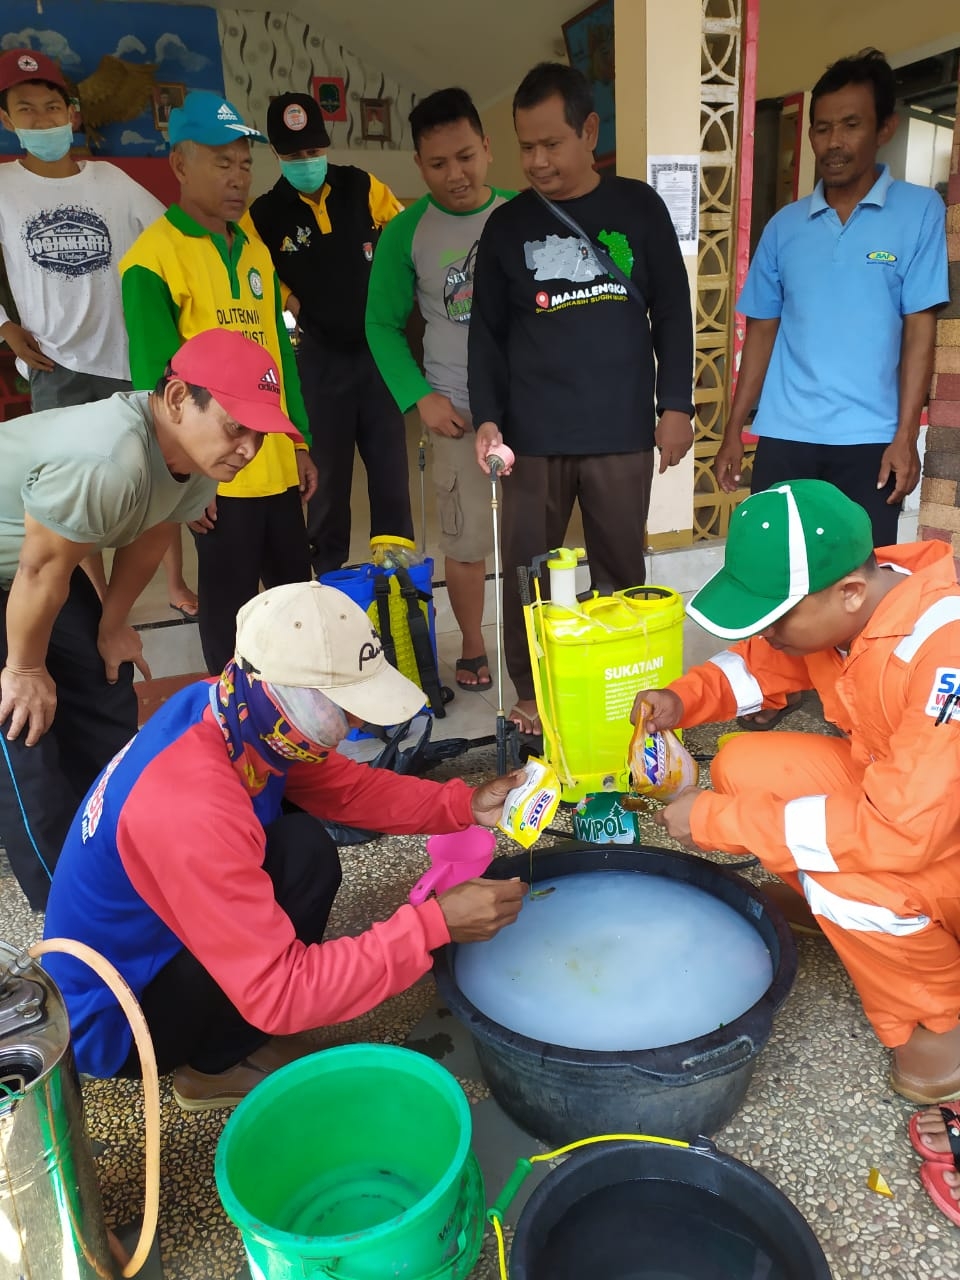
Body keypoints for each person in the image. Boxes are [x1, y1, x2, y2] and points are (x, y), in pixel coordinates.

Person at [43, 581, 528, 1110]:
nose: (360, 723)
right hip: (119, 1017)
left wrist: (464, 806)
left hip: (157, 940)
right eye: (345, 707)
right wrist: (434, 926)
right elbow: (281, 991)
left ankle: (237, 1035)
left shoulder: (231, 708)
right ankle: (213, 1066)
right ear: (284, 693)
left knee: (304, 849)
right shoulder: (191, 805)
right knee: (288, 923)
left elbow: (344, 786)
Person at [631, 480, 960, 1225]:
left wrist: (715, 820)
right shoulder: (856, 611)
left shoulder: (944, 651)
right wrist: (681, 700)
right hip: (907, 801)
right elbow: (759, 668)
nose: (768, 632)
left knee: (855, 881)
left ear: (847, 592)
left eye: (776, 616)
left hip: (929, 833)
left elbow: (902, 835)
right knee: (745, 765)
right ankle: (853, 914)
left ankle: (943, 1043)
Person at [0, 328, 301, 910]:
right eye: (236, 427)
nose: (247, 449)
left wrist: (112, 626)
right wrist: (25, 668)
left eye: (259, 436)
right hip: (23, 567)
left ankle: (121, 850)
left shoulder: (196, 459)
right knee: (23, 726)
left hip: (30, 566)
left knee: (103, 681)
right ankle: (70, 906)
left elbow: (155, 530)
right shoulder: (110, 459)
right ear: (178, 397)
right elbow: (41, 572)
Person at [468, 62, 695, 735]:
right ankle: (535, 703)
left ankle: (633, 703)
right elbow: (486, 336)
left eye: (552, 144)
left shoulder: (639, 208)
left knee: (623, 574)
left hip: (621, 432)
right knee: (528, 579)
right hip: (532, 439)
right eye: (526, 147)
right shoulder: (507, 227)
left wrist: (675, 405)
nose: (537, 161)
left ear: (589, 131)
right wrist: (487, 418)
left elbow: (675, 312)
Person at [715, 48, 949, 549]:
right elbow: (761, 332)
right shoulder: (784, 227)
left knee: (857, 582)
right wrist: (734, 429)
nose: (834, 142)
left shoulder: (919, 211)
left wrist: (906, 435)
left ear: (884, 128)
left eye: (850, 125)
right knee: (779, 574)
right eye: (821, 128)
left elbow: (920, 329)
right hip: (785, 438)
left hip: (871, 442)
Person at [120, 91, 317, 675]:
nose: (238, 179)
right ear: (181, 165)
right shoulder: (151, 260)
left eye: (245, 164)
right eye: (222, 163)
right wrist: (181, 484)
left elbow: (279, 354)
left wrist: (300, 441)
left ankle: (296, 715)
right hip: (216, 482)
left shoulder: (254, 248)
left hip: (275, 465)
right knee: (228, 610)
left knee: (291, 599)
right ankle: (230, 723)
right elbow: (156, 389)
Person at [0, 49, 200, 613]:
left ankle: (176, 583)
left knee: (159, 477)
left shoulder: (111, 181)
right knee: (70, 490)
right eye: (27, 110)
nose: (43, 120)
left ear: (73, 114)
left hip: (128, 357)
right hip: (54, 364)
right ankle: (95, 593)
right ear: (8, 121)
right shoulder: (4, 188)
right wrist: (6, 329)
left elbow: (169, 237)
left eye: (52, 107)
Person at [366, 88, 514, 692]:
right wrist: (419, 396)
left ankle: (536, 643)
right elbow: (380, 323)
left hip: (527, 408)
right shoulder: (407, 233)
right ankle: (474, 645)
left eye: (465, 157)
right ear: (419, 166)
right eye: (437, 164)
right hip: (454, 409)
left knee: (530, 534)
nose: (455, 175)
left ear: (487, 147)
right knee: (465, 537)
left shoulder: (521, 213)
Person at [247, 91, 412, 577]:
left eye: (314, 152)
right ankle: (328, 572)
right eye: (295, 156)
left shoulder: (360, 185)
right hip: (317, 358)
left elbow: (402, 234)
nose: (308, 162)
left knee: (389, 470)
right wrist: (292, 301)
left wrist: (392, 293)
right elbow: (255, 272)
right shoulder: (263, 213)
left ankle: (396, 576)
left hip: (379, 354)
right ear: (277, 154)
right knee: (328, 475)